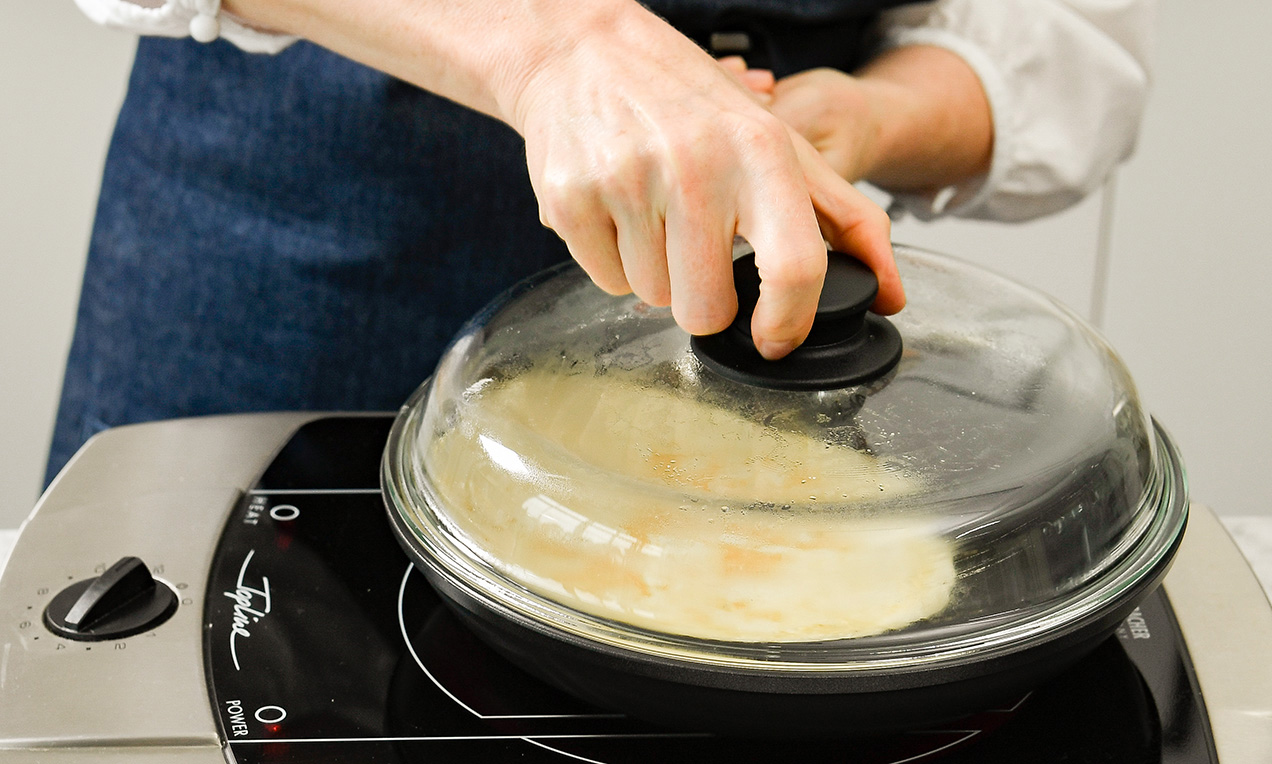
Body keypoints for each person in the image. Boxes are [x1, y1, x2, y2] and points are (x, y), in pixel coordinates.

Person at [47, 0, 1154, 483]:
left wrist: (841, 121)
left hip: (770, 363)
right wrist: (557, 42)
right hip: (281, 276)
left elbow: (1064, 34)